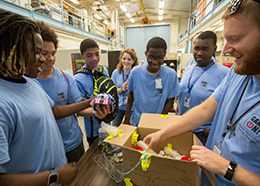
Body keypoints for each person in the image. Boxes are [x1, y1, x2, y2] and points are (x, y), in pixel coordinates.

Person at [144, 0, 260, 185]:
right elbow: (206, 109)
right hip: (209, 177)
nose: (226, 49)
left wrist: (227, 169)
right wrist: (163, 133)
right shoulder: (237, 73)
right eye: (226, 39)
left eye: (236, 39)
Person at [0, 9, 77, 185]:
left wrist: (88, 103)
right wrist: (54, 176)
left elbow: (53, 111)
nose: (42, 59)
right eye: (36, 52)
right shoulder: (3, 103)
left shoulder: (29, 81)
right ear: (9, 51)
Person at [34, 21, 108, 163]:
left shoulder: (66, 78)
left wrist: (96, 111)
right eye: (44, 53)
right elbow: (54, 111)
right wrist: (90, 102)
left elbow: (79, 107)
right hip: (45, 148)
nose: (50, 58)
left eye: (53, 53)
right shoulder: (28, 82)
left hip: (72, 143)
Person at [177, 31, 229, 145]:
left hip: (203, 132)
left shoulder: (224, 73)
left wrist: (210, 130)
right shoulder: (189, 69)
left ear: (214, 49)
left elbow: (227, 107)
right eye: (196, 48)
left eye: (205, 49)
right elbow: (182, 95)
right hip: (182, 128)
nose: (199, 53)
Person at [123, 37, 180, 126]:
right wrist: (126, 119)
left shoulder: (171, 75)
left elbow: (170, 100)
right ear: (146, 54)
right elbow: (131, 96)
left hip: (158, 122)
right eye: (151, 57)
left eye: (159, 58)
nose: (155, 62)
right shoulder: (136, 72)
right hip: (137, 121)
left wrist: (161, 119)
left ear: (164, 55)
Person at [74, 38, 110, 146]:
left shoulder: (104, 71)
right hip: (93, 131)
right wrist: (96, 112)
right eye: (89, 55)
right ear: (82, 56)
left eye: (97, 54)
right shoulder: (78, 79)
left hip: (108, 124)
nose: (94, 59)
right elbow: (79, 110)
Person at [111, 48, 139, 127]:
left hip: (132, 108)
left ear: (133, 61)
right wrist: (122, 89)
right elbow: (112, 91)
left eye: (129, 59)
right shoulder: (116, 73)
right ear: (121, 59)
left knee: (130, 129)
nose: (126, 61)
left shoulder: (136, 73)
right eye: (124, 58)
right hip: (119, 107)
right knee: (115, 128)